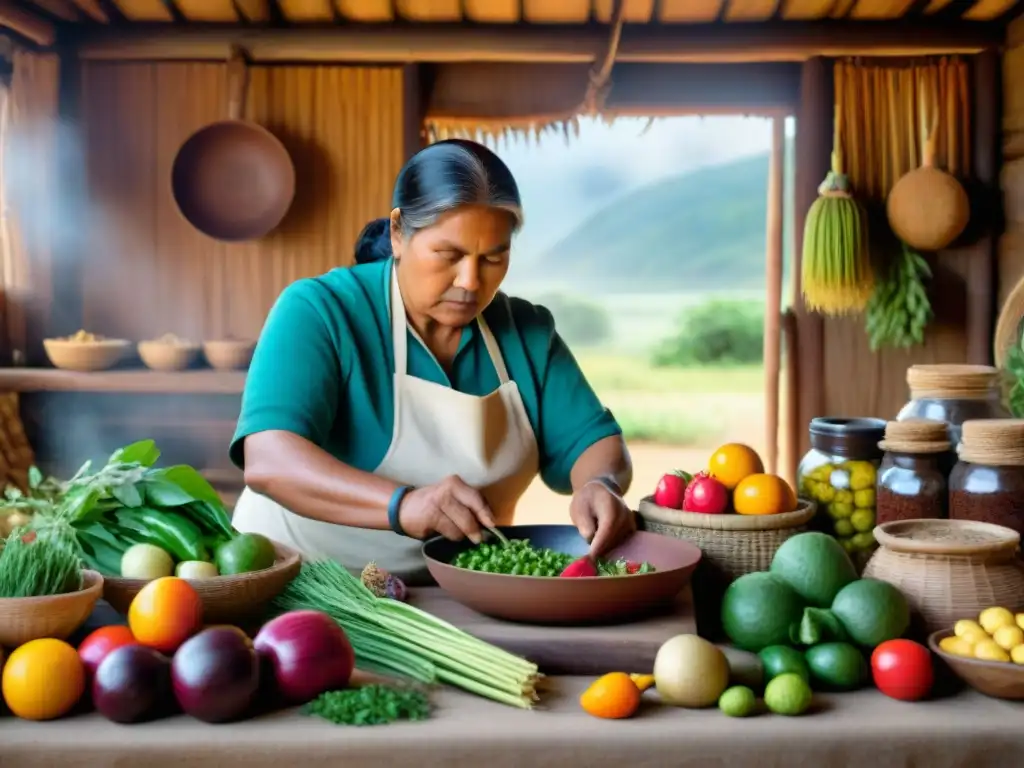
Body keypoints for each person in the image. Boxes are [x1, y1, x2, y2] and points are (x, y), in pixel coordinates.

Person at [229, 138, 635, 584]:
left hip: (455, 591)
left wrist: (601, 484)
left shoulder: (526, 332)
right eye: (450, 254)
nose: (470, 281)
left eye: (493, 257)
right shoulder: (321, 309)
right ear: (399, 232)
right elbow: (269, 460)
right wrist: (404, 505)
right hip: (301, 581)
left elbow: (594, 444)